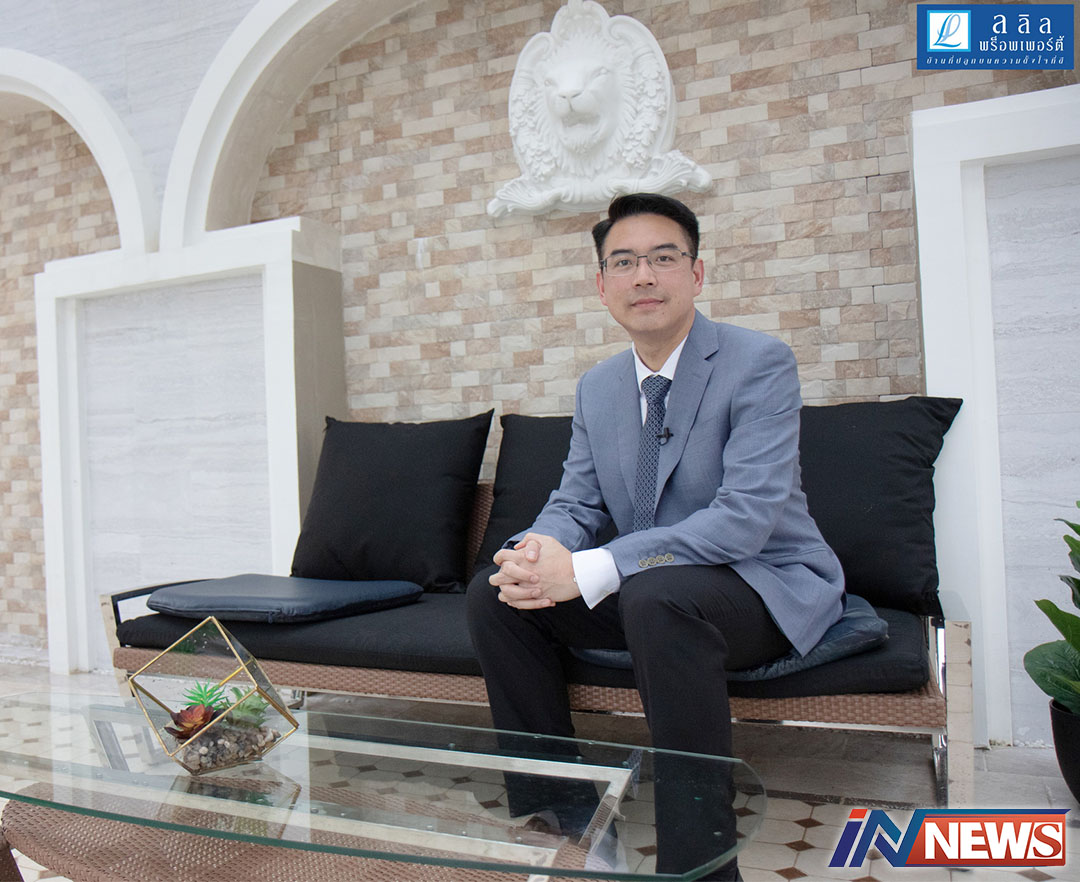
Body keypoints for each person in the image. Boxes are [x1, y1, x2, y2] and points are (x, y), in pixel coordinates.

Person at [466, 193, 844, 880]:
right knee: (497, 596)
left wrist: (595, 567)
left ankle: (699, 866)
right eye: (624, 262)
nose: (643, 276)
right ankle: (568, 821)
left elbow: (744, 517)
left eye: (662, 258)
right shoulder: (599, 386)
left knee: (655, 598)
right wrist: (535, 553)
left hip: (759, 581)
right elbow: (575, 500)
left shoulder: (759, 362)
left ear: (696, 274)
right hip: (653, 587)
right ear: (602, 285)